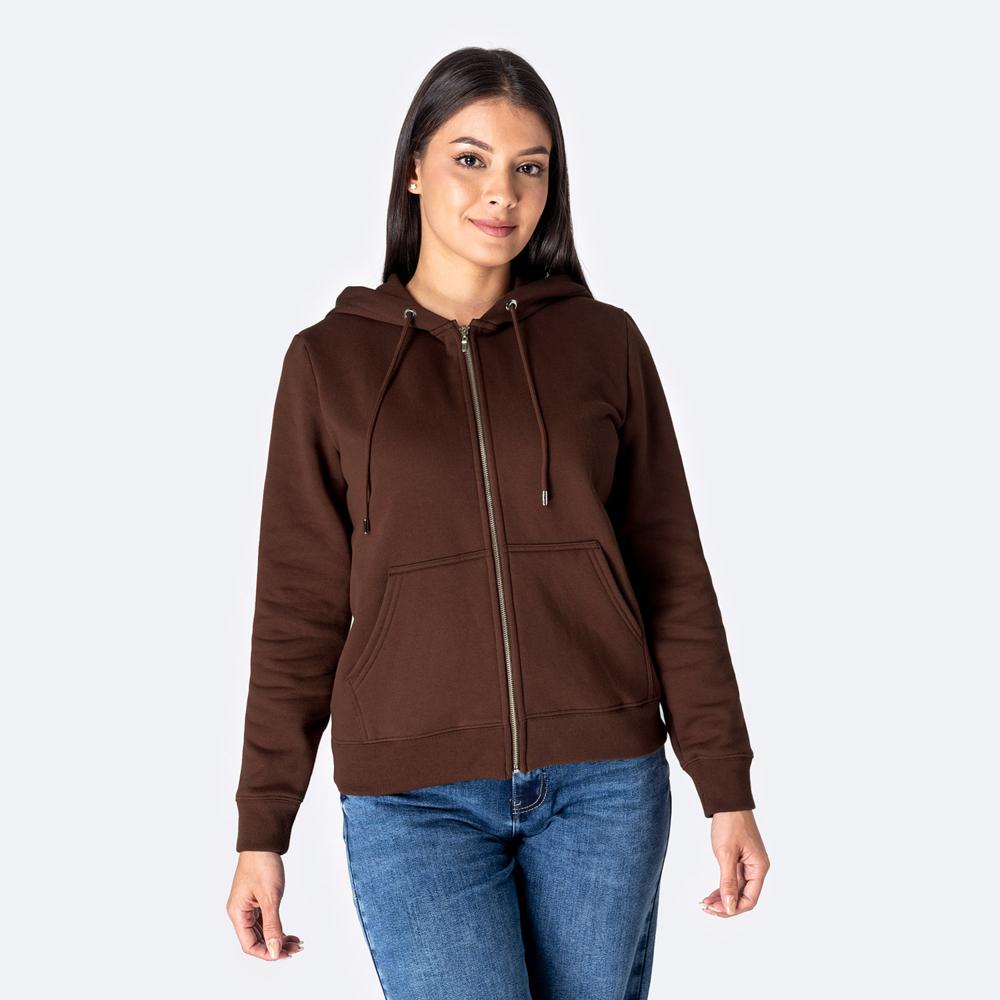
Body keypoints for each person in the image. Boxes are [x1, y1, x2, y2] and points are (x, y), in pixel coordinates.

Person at [226, 45, 770, 998]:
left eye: (530, 167)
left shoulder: (604, 343)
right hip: (414, 802)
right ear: (414, 168)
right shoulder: (329, 364)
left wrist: (725, 786)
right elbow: (297, 610)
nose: (502, 193)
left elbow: (673, 575)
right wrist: (261, 830)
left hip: (603, 784)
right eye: (470, 158)